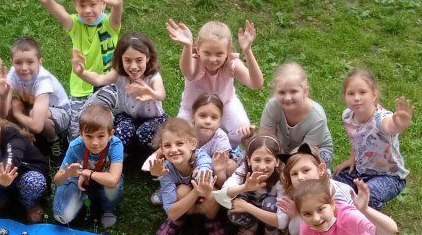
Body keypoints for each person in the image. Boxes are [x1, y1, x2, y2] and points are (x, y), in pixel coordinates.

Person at [27, 0, 124, 131]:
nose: (87, 10)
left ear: (103, 4)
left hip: (106, 85)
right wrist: (49, 2)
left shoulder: (109, 24)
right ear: (75, 5)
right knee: (76, 130)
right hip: (80, 87)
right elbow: (62, 15)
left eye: (93, 4)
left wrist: (118, 5)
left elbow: (116, 17)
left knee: (101, 125)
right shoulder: (75, 24)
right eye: (82, 5)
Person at [166, 18, 263, 146]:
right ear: (198, 49)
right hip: (192, 109)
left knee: (243, 131)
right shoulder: (195, 62)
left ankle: (226, 150)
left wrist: (248, 51)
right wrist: (187, 46)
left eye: (219, 54)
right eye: (207, 53)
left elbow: (256, 84)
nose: (212, 59)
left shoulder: (231, 63)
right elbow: (187, 71)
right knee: (177, 138)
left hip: (225, 105)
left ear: (228, 52)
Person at [333, 68, 414, 210]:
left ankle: (368, 217)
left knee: (367, 197)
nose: (356, 97)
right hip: (361, 171)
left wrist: (398, 124)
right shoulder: (348, 116)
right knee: (333, 186)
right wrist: (352, 158)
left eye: (362, 92)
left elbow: (389, 125)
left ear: (374, 95)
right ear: (344, 96)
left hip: (389, 176)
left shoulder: (380, 118)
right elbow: (354, 139)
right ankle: (345, 211)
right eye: (351, 93)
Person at [75, 31, 166, 155]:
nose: (133, 66)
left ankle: (145, 155)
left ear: (148, 58)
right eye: (127, 60)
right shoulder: (119, 74)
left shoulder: (153, 76)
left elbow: (161, 94)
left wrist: (151, 93)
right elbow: (99, 80)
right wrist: (81, 73)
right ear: (120, 59)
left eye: (139, 60)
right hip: (126, 116)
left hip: (153, 118)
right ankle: (119, 155)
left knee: (145, 132)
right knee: (123, 130)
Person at [0, 36, 71, 161]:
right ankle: (23, 139)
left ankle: (55, 141)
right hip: (32, 107)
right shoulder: (13, 74)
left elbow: (37, 126)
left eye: (30, 62)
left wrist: (18, 114)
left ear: (40, 62)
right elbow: (0, 116)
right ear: (12, 61)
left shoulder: (43, 81)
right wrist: (3, 98)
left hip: (60, 115)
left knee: (33, 113)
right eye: (18, 62)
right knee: (13, 103)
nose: (24, 68)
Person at [150, 118, 224, 235]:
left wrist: (201, 178)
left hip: (204, 199)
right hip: (187, 199)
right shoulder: (166, 170)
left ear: (192, 144)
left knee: (213, 193)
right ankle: (178, 220)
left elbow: (205, 169)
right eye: (167, 145)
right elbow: (171, 213)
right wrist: (196, 192)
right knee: (182, 190)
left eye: (179, 143)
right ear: (161, 148)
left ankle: (211, 221)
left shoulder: (202, 157)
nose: (173, 149)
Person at [52, 103, 124, 228]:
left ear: (111, 134)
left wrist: (87, 173)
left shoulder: (115, 145)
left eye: (101, 136)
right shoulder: (75, 146)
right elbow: (57, 180)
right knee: (62, 216)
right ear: (81, 133)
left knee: (115, 185)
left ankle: (108, 209)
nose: (95, 143)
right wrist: (67, 174)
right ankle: (81, 197)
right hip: (77, 179)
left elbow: (113, 180)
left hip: (103, 178)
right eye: (89, 136)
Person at [214, 134, 285, 235]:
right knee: (233, 210)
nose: (262, 166)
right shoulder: (243, 171)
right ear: (248, 160)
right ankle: (251, 227)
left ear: (277, 161)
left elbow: (282, 222)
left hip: (269, 213)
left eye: (268, 160)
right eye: (257, 160)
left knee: (271, 203)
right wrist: (245, 187)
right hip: (251, 212)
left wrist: (247, 207)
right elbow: (220, 197)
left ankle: (271, 230)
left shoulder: (282, 179)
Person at [258, 62, 334, 166]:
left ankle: (325, 173)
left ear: (305, 91)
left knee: (304, 168)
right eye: (281, 92)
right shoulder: (272, 106)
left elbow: (304, 153)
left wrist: (281, 166)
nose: (287, 98)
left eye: (293, 92)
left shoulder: (317, 117)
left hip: (314, 151)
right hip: (283, 148)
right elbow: (266, 139)